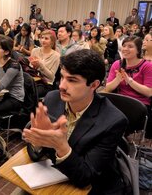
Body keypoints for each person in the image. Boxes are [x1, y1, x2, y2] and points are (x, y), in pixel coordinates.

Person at [23, 49, 128, 194]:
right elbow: (37, 154)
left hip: (93, 186)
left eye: (72, 80)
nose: (61, 86)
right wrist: (39, 142)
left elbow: (86, 177)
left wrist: (60, 146)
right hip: (56, 175)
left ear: (94, 85)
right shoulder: (53, 98)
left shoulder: (113, 121)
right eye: (62, 77)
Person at [105, 36, 152, 138]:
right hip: (120, 100)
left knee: (117, 121)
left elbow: (149, 92)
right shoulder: (117, 64)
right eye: (124, 46)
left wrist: (129, 81)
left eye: (130, 46)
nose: (125, 49)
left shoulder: (147, 66)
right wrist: (117, 80)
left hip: (139, 104)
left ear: (138, 50)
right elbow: (107, 89)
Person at [29, 30, 60, 97]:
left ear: (52, 41)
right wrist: (34, 66)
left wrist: (41, 65)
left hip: (46, 83)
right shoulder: (35, 51)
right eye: (42, 38)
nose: (43, 40)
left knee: (32, 93)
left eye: (46, 38)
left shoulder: (56, 56)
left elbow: (51, 77)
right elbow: (30, 69)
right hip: (34, 80)